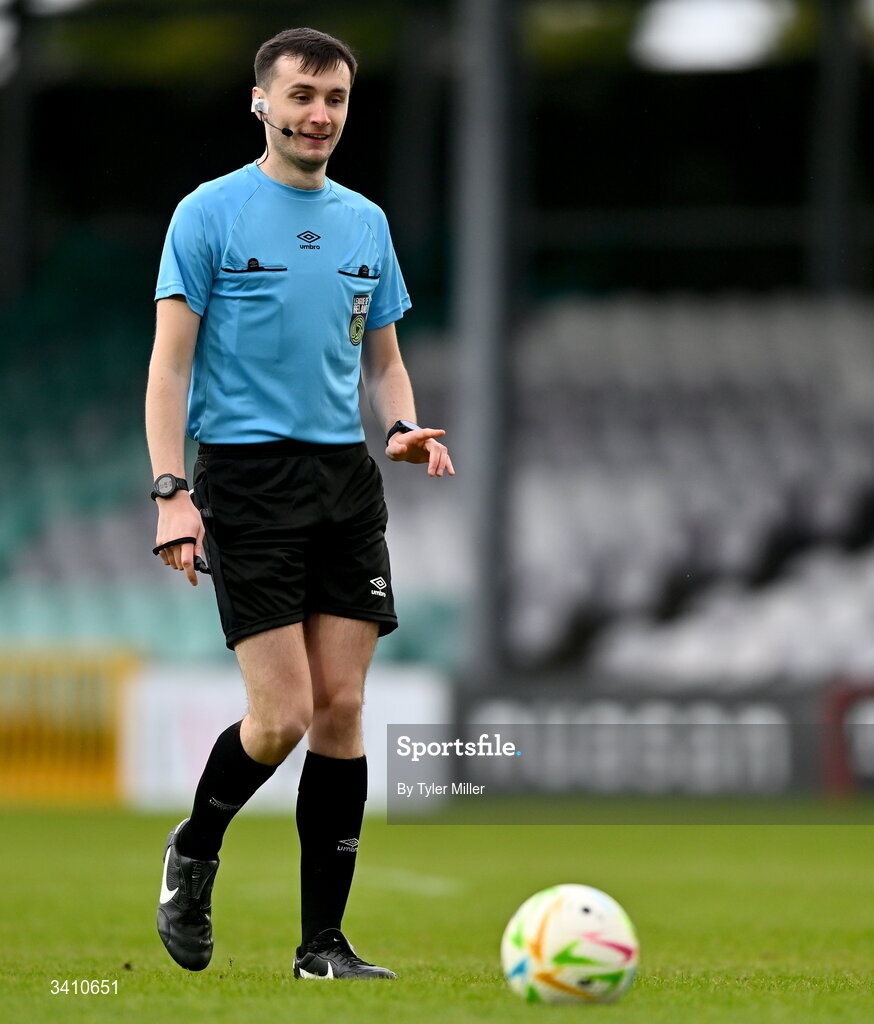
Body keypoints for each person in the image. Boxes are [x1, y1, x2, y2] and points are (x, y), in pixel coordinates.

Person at [145, 26, 453, 980]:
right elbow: (169, 367)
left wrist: (402, 426)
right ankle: (194, 851)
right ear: (261, 103)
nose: (319, 115)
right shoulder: (208, 214)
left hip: (344, 483)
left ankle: (322, 946)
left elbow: (386, 361)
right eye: (302, 97)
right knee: (280, 717)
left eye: (336, 100)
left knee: (345, 709)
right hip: (244, 480)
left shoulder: (366, 222)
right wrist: (171, 494)